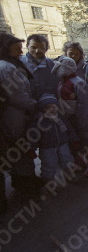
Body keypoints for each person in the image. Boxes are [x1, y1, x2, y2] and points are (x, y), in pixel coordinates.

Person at [0, 33, 43, 210]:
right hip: (15, 116)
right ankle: (26, 182)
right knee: (21, 147)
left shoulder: (12, 64)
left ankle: (22, 179)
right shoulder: (7, 68)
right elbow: (18, 96)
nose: (21, 48)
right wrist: (35, 105)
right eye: (16, 45)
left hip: (15, 115)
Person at [52, 56, 88, 177]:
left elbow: (85, 103)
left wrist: (81, 118)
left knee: (86, 140)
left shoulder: (78, 83)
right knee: (74, 140)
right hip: (68, 118)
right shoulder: (63, 82)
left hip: (80, 118)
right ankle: (79, 161)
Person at [30, 94, 79, 182]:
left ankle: (70, 175)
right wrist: (32, 148)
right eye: (48, 107)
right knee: (49, 164)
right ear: (42, 109)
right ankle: (49, 181)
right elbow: (33, 136)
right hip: (47, 148)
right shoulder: (39, 121)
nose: (51, 109)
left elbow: (69, 129)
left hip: (63, 145)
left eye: (54, 107)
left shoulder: (60, 118)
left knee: (67, 161)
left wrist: (74, 140)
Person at [20, 34, 60, 100]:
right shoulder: (19, 63)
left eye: (41, 48)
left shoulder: (52, 65)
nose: (37, 51)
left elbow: (54, 87)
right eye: (33, 47)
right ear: (27, 46)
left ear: (46, 49)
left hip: (47, 104)